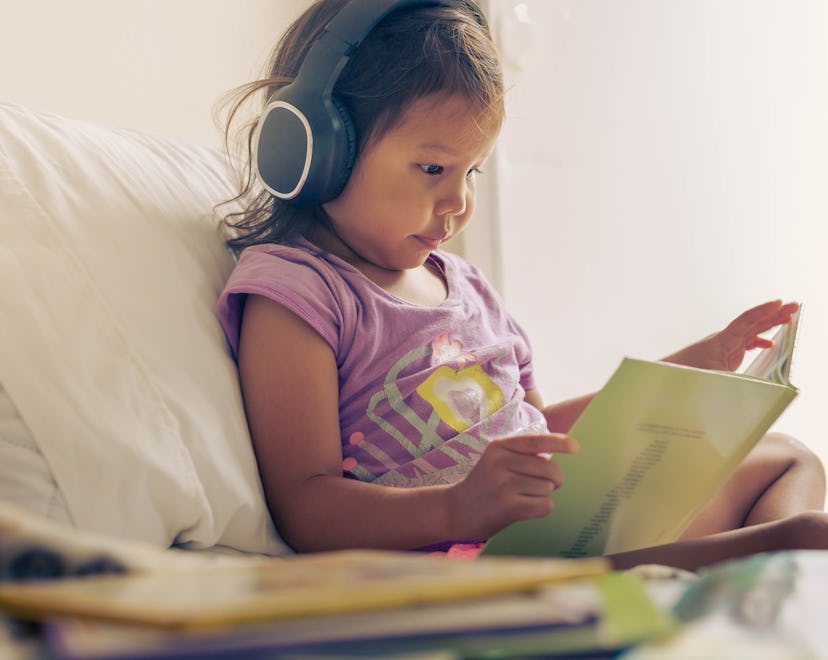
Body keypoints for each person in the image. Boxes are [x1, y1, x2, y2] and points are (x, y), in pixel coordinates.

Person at [216, 0, 827, 571]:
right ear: (322, 149)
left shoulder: (467, 288)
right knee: (799, 537)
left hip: (552, 530)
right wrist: (457, 505)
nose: (458, 202)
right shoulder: (299, 294)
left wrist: (693, 372)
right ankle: (755, 579)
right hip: (456, 557)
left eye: (471, 169)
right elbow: (305, 508)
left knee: (790, 460)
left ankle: (738, 585)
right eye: (433, 169)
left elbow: (538, 431)